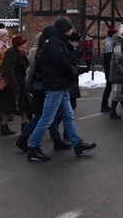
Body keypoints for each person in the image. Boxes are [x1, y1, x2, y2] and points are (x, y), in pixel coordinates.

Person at [26, 18, 96, 161]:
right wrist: (73, 73)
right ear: (64, 29)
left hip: (60, 86)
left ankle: (77, 144)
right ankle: (33, 147)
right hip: (55, 86)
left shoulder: (56, 42)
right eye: (70, 29)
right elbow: (62, 64)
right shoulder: (54, 43)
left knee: (68, 116)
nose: (72, 31)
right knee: (46, 118)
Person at [0, 35, 30, 136]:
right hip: (11, 85)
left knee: (25, 105)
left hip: (20, 83)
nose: (24, 46)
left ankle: (24, 125)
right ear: (17, 45)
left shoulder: (21, 54)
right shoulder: (12, 54)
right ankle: (4, 126)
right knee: (8, 106)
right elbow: (9, 71)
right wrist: (15, 86)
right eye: (22, 44)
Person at [108, 25, 123, 120]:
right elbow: (118, 54)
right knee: (119, 92)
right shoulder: (118, 42)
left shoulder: (122, 41)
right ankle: (116, 111)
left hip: (119, 70)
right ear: (121, 34)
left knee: (119, 93)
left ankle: (116, 111)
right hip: (118, 70)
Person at [100, 28, 117, 113]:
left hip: (109, 69)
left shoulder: (108, 42)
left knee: (110, 87)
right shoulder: (109, 44)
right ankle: (104, 105)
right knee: (109, 87)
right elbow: (109, 58)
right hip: (110, 70)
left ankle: (105, 105)